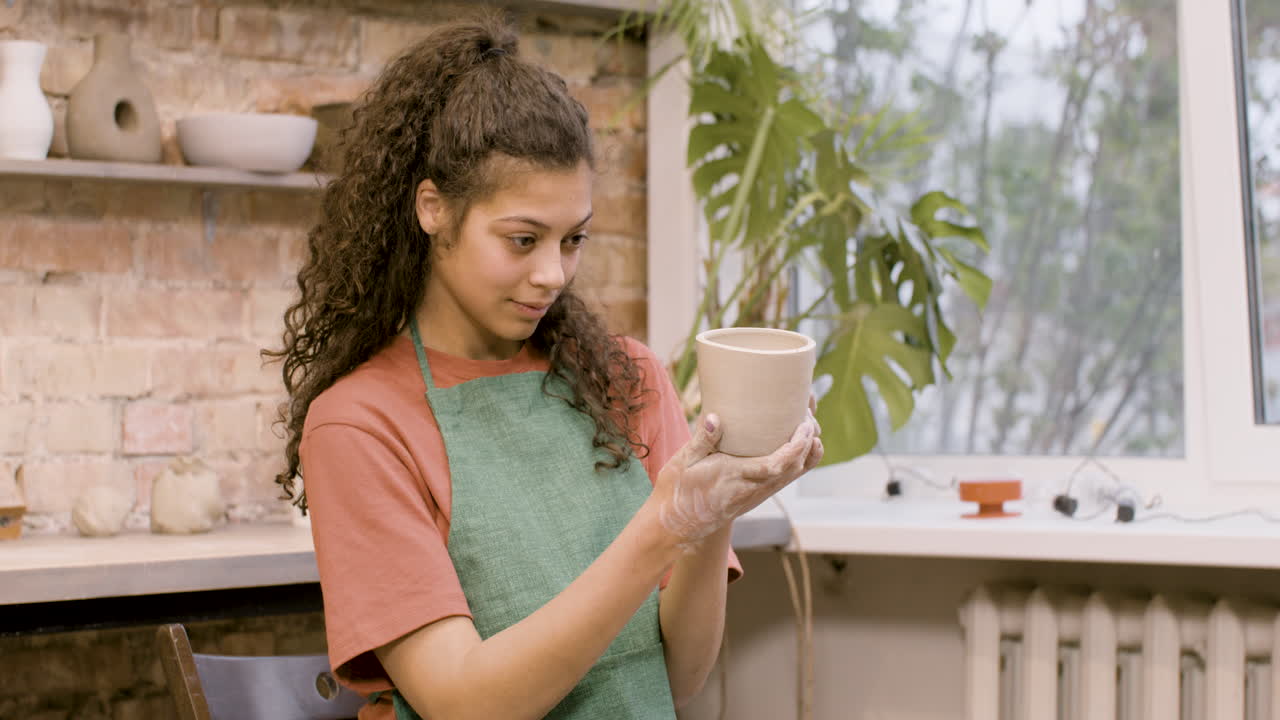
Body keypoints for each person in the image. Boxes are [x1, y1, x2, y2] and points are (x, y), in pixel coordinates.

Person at [268, 13, 823, 720]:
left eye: (573, 239)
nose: (553, 273)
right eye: (523, 239)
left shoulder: (627, 378)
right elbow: (466, 703)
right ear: (433, 208)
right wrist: (659, 528)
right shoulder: (359, 424)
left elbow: (677, 679)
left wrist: (712, 518)